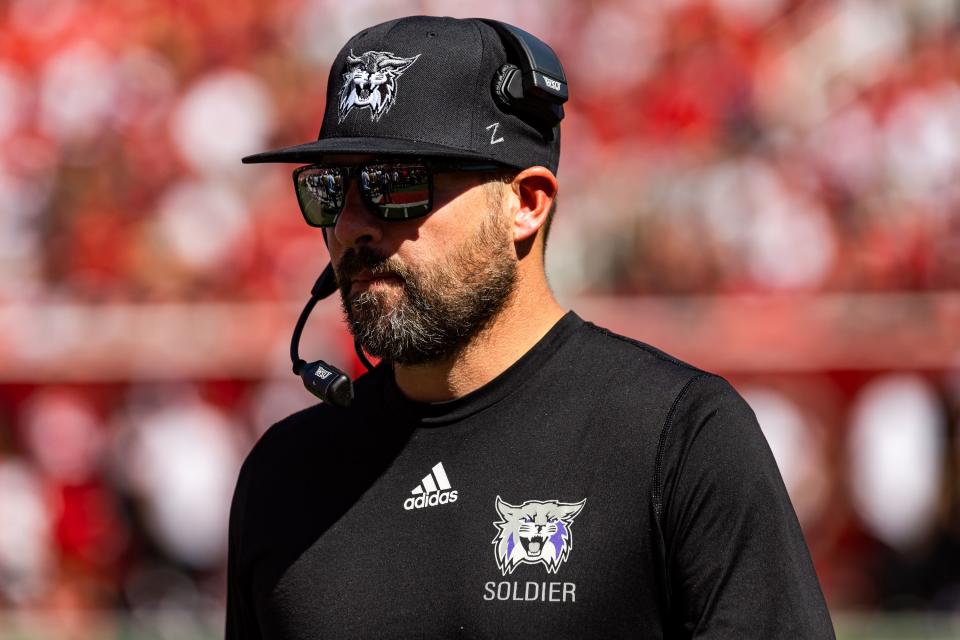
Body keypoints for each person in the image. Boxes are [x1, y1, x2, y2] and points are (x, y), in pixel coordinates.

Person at [227, 15, 835, 639]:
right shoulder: (284, 476)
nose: (352, 223)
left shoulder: (677, 437)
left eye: (395, 182)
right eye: (330, 188)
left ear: (526, 203)